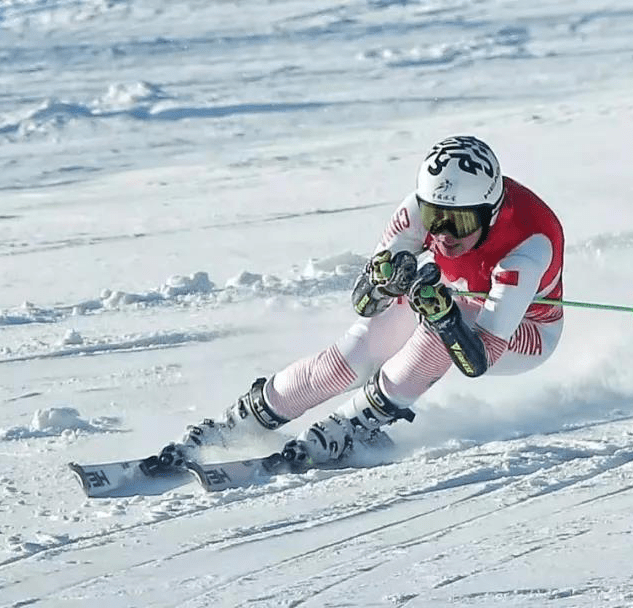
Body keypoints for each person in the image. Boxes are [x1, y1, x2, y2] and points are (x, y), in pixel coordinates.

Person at [158, 135, 566, 469]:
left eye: (458, 222)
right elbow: (365, 304)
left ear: (490, 212)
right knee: (359, 348)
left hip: (525, 330)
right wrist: (386, 282)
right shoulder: (417, 210)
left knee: (448, 322)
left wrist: (443, 316)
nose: (442, 234)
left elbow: (478, 361)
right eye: (434, 216)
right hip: (455, 298)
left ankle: (357, 423)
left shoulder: (529, 247)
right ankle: (247, 417)